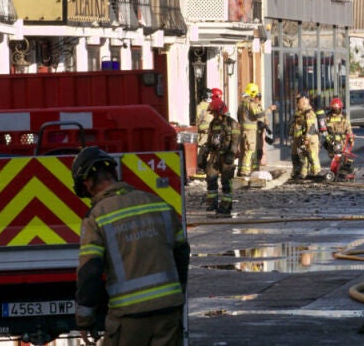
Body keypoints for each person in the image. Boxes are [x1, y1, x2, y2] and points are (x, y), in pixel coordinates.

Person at [72, 146, 190, 345]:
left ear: (87, 184)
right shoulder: (158, 204)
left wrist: (85, 319)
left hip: (129, 318)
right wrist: (178, 292)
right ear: (113, 174)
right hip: (168, 312)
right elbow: (181, 252)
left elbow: (90, 270)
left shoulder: (97, 216)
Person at [205, 98, 241, 216]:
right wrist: (204, 153)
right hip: (215, 155)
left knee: (226, 181)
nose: (213, 115)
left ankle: (226, 206)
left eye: (214, 112)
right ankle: (212, 203)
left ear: (220, 111)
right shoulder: (213, 123)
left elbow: (235, 141)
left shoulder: (232, 123)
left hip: (227, 156)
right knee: (211, 178)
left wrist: (231, 154)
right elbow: (209, 139)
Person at [290, 94, 321, 179]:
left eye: (299, 102)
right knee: (301, 156)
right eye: (297, 102)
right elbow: (294, 125)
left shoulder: (309, 113)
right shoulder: (299, 112)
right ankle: (302, 172)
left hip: (311, 138)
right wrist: (291, 135)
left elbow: (311, 127)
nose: (297, 104)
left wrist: (307, 138)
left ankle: (317, 173)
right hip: (301, 138)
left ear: (304, 102)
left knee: (312, 155)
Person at [197, 88, 223, 172]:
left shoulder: (199, 106)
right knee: (206, 149)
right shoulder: (209, 106)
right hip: (207, 132)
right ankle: (204, 167)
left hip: (204, 131)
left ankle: (202, 167)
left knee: (203, 149)